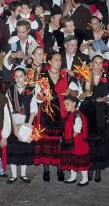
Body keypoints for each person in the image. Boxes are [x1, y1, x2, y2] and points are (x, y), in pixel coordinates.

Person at [34, 52, 68, 182]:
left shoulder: (64, 76)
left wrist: (70, 93)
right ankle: (46, 170)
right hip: (45, 114)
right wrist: (43, 97)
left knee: (59, 144)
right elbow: (37, 95)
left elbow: (74, 93)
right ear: (49, 61)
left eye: (60, 60)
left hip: (61, 114)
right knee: (45, 144)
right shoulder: (42, 76)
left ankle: (60, 169)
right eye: (56, 59)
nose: (58, 62)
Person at [79, 55, 109, 182]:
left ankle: (98, 169)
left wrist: (106, 99)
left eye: (100, 63)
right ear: (91, 64)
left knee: (100, 141)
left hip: (101, 111)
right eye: (95, 63)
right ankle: (89, 168)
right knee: (88, 141)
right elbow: (79, 96)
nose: (98, 65)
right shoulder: (84, 77)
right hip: (87, 110)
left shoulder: (107, 78)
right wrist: (84, 95)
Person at [5, 66, 37, 184]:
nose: (19, 79)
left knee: (24, 149)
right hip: (14, 124)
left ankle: (23, 174)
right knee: (14, 150)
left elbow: (33, 110)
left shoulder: (30, 91)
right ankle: (13, 175)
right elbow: (8, 110)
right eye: (16, 76)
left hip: (26, 124)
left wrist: (28, 125)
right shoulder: (9, 91)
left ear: (25, 77)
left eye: (21, 76)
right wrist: (15, 128)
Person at [61, 95, 89, 186]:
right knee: (73, 159)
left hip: (78, 142)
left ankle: (85, 179)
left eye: (67, 104)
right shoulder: (71, 115)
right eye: (65, 105)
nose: (66, 106)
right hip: (72, 142)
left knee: (80, 160)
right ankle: (73, 177)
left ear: (74, 104)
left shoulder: (77, 115)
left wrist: (69, 139)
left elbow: (77, 130)